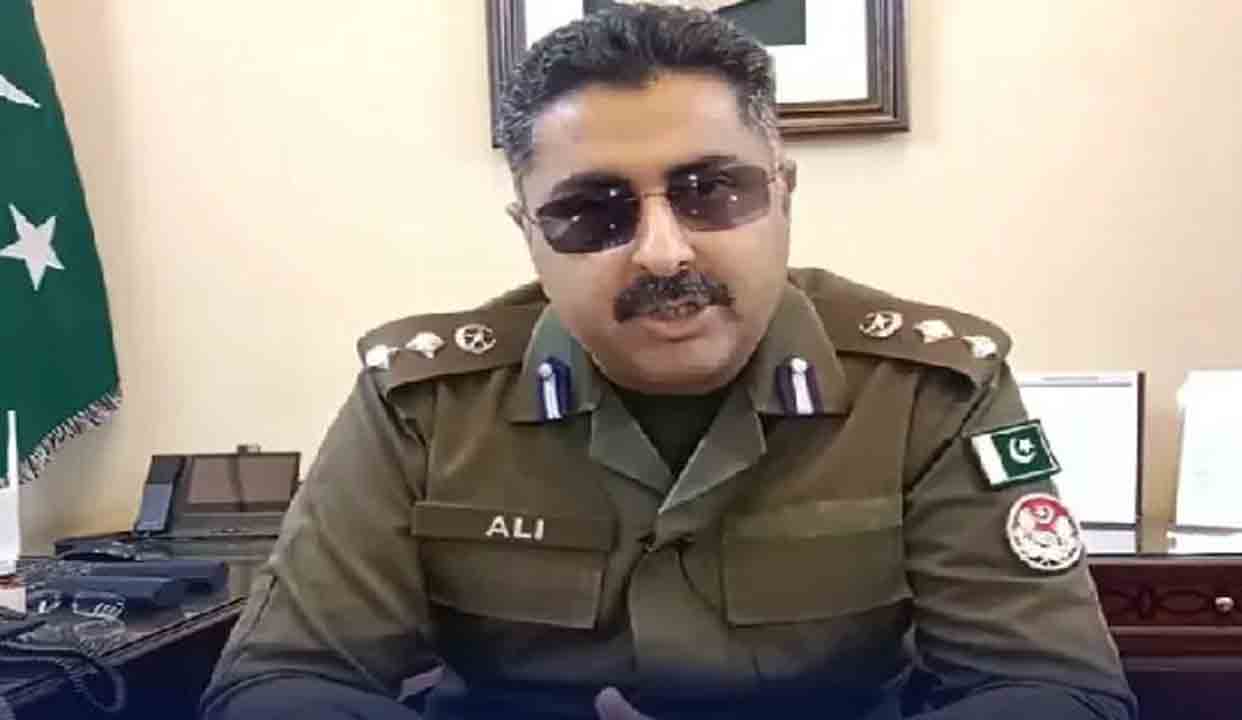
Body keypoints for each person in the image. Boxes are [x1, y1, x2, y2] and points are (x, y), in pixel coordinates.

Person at [200, 5, 1136, 719]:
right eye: (592, 211)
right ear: (530, 234)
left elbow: (1053, 689)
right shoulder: (424, 401)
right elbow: (283, 682)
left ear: (783, 194)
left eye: (711, 190)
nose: (661, 251)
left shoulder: (931, 389)